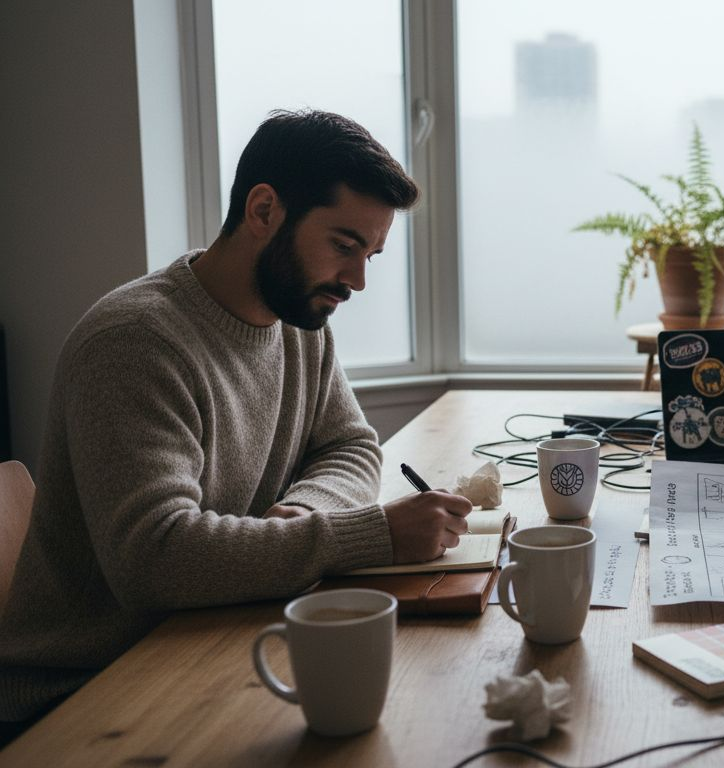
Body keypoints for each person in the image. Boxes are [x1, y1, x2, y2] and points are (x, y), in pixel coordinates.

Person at [0, 110, 472, 737]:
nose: (357, 280)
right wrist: (365, 536)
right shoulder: (133, 344)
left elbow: (350, 444)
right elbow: (154, 558)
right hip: (80, 697)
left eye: (371, 255)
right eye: (344, 246)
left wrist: (306, 515)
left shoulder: (299, 319)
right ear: (264, 210)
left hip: (205, 638)